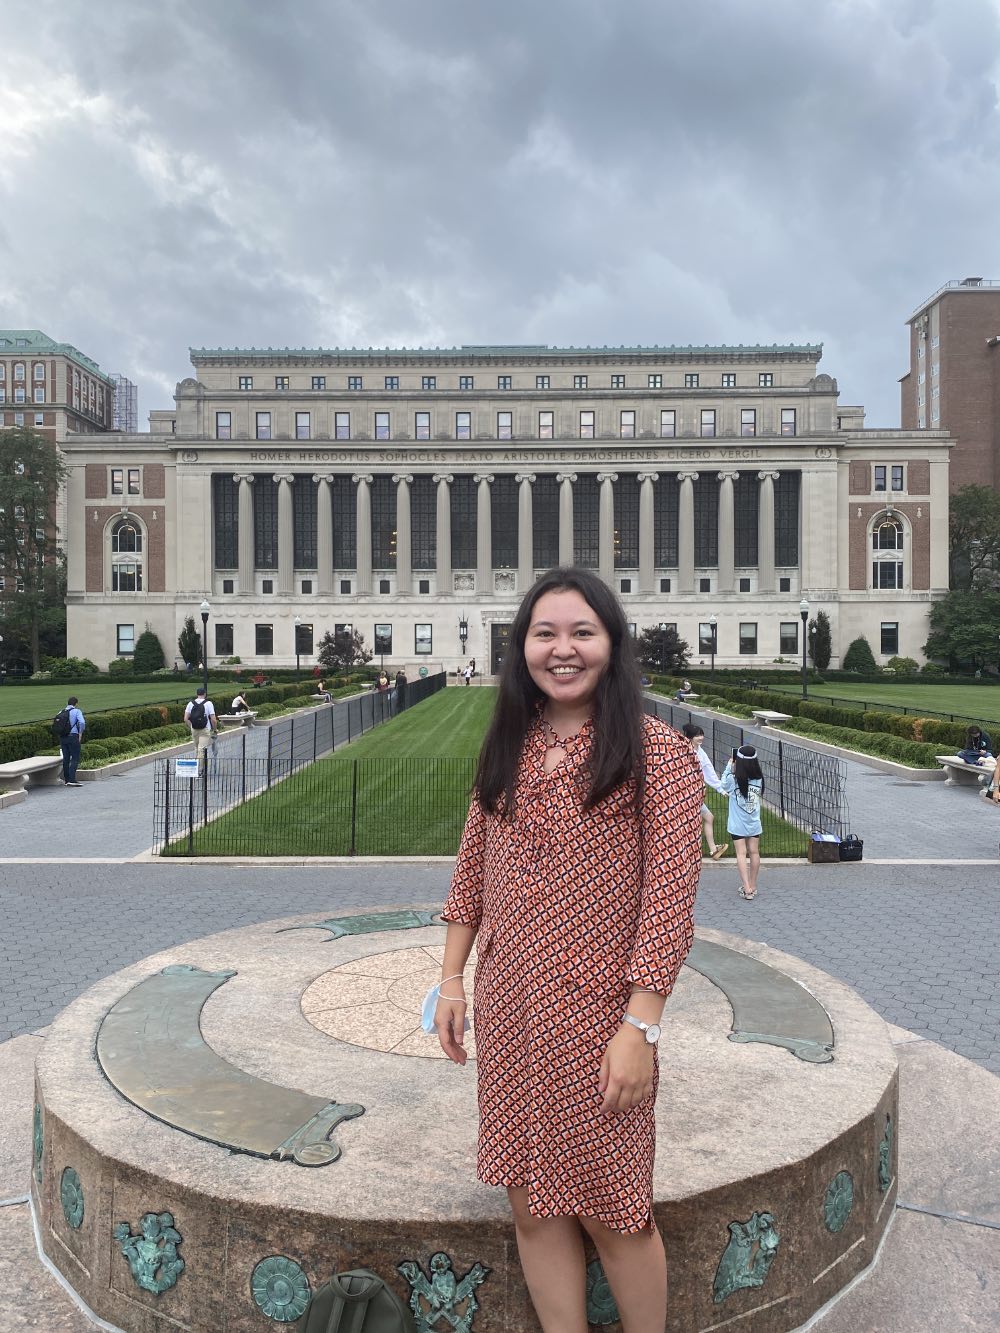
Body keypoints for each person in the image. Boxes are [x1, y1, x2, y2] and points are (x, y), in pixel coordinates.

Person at [435, 566, 703, 1333]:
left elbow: (668, 906)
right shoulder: (509, 747)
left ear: (611, 643)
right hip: (512, 1012)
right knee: (528, 1196)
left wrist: (640, 1028)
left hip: (600, 1023)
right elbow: (471, 871)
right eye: (544, 633)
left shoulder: (657, 753)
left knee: (615, 1209)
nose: (563, 649)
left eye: (581, 631)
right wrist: (452, 981)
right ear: (522, 647)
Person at [720, 745, 764, 901]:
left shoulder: (733, 779)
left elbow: (723, 784)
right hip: (753, 822)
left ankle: (746, 888)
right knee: (754, 851)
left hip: (738, 823)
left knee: (741, 853)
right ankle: (753, 885)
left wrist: (729, 766)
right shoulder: (758, 778)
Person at [680, 723, 729, 860]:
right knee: (694, 821)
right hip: (685, 793)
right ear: (689, 737)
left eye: (701, 734)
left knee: (707, 818)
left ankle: (712, 850)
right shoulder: (684, 750)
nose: (701, 738)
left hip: (694, 793)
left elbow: (708, 770)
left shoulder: (700, 751)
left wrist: (720, 788)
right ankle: (693, 851)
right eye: (697, 735)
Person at [183, 686, 217, 765]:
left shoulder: (190, 703)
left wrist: (191, 726)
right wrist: (215, 729)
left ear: (197, 694)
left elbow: (185, 719)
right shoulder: (208, 703)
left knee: (197, 749)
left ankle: (200, 767)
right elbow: (213, 719)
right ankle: (199, 770)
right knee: (201, 749)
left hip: (194, 728)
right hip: (205, 729)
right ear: (205, 694)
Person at [60, 696, 86, 787]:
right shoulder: (77, 711)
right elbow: (82, 722)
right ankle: (72, 779)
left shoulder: (61, 712)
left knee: (66, 759)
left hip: (63, 738)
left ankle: (66, 780)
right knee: (75, 758)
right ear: (76, 704)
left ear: (67, 703)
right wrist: (80, 733)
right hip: (73, 736)